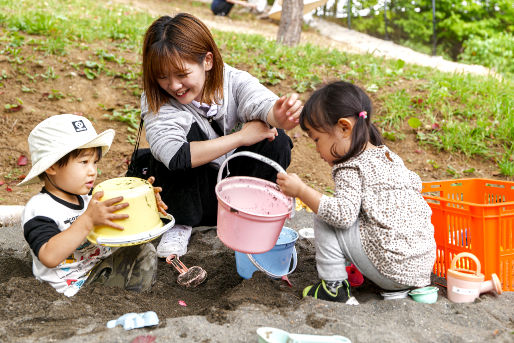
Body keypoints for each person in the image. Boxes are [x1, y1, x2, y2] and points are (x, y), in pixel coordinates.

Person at [140, 13, 302, 259]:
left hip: (229, 190)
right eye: (162, 76)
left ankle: (249, 213)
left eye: (182, 74)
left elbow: (262, 104)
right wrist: (240, 138)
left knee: (276, 139)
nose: (173, 85)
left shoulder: (233, 81)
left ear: (207, 61)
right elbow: (174, 156)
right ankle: (181, 224)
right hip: (189, 196)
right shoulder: (157, 99)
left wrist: (279, 116)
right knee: (183, 142)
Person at [276, 81, 436, 303]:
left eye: (317, 139)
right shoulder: (389, 157)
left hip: (391, 270)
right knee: (362, 214)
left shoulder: (351, 166)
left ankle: (333, 287)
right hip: (421, 268)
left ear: (344, 127)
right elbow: (415, 184)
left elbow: (341, 217)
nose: (317, 149)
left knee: (325, 212)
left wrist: (302, 191)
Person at [18, 114, 168, 297]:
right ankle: (130, 301)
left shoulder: (91, 198)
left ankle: (133, 301)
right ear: (52, 166)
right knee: (144, 253)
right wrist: (87, 220)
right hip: (69, 290)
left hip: (100, 272)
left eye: (95, 163)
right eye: (83, 162)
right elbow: (49, 257)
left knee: (143, 250)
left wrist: (146, 202)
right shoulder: (40, 208)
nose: (92, 171)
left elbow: (125, 223)